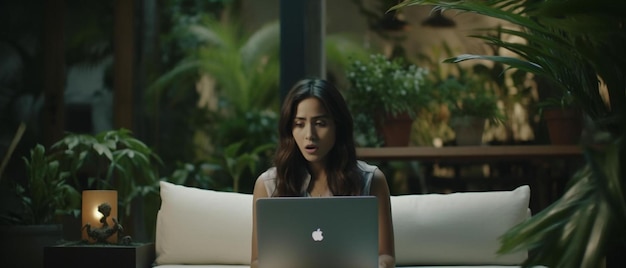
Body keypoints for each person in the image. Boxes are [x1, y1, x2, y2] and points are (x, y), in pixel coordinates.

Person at [250, 78, 395, 268]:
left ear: (338, 126)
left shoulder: (371, 180)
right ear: (289, 129)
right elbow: (257, 261)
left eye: (320, 123)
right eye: (299, 124)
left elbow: (386, 256)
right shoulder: (268, 184)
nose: (309, 134)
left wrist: (380, 265)